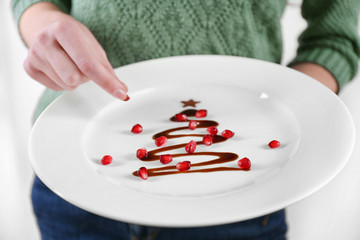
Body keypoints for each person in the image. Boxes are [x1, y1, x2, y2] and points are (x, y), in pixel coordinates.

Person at [12, 0, 360, 239]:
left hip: (239, 193)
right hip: (74, 175)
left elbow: (335, 34)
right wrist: (46, 24)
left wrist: (281, 112)